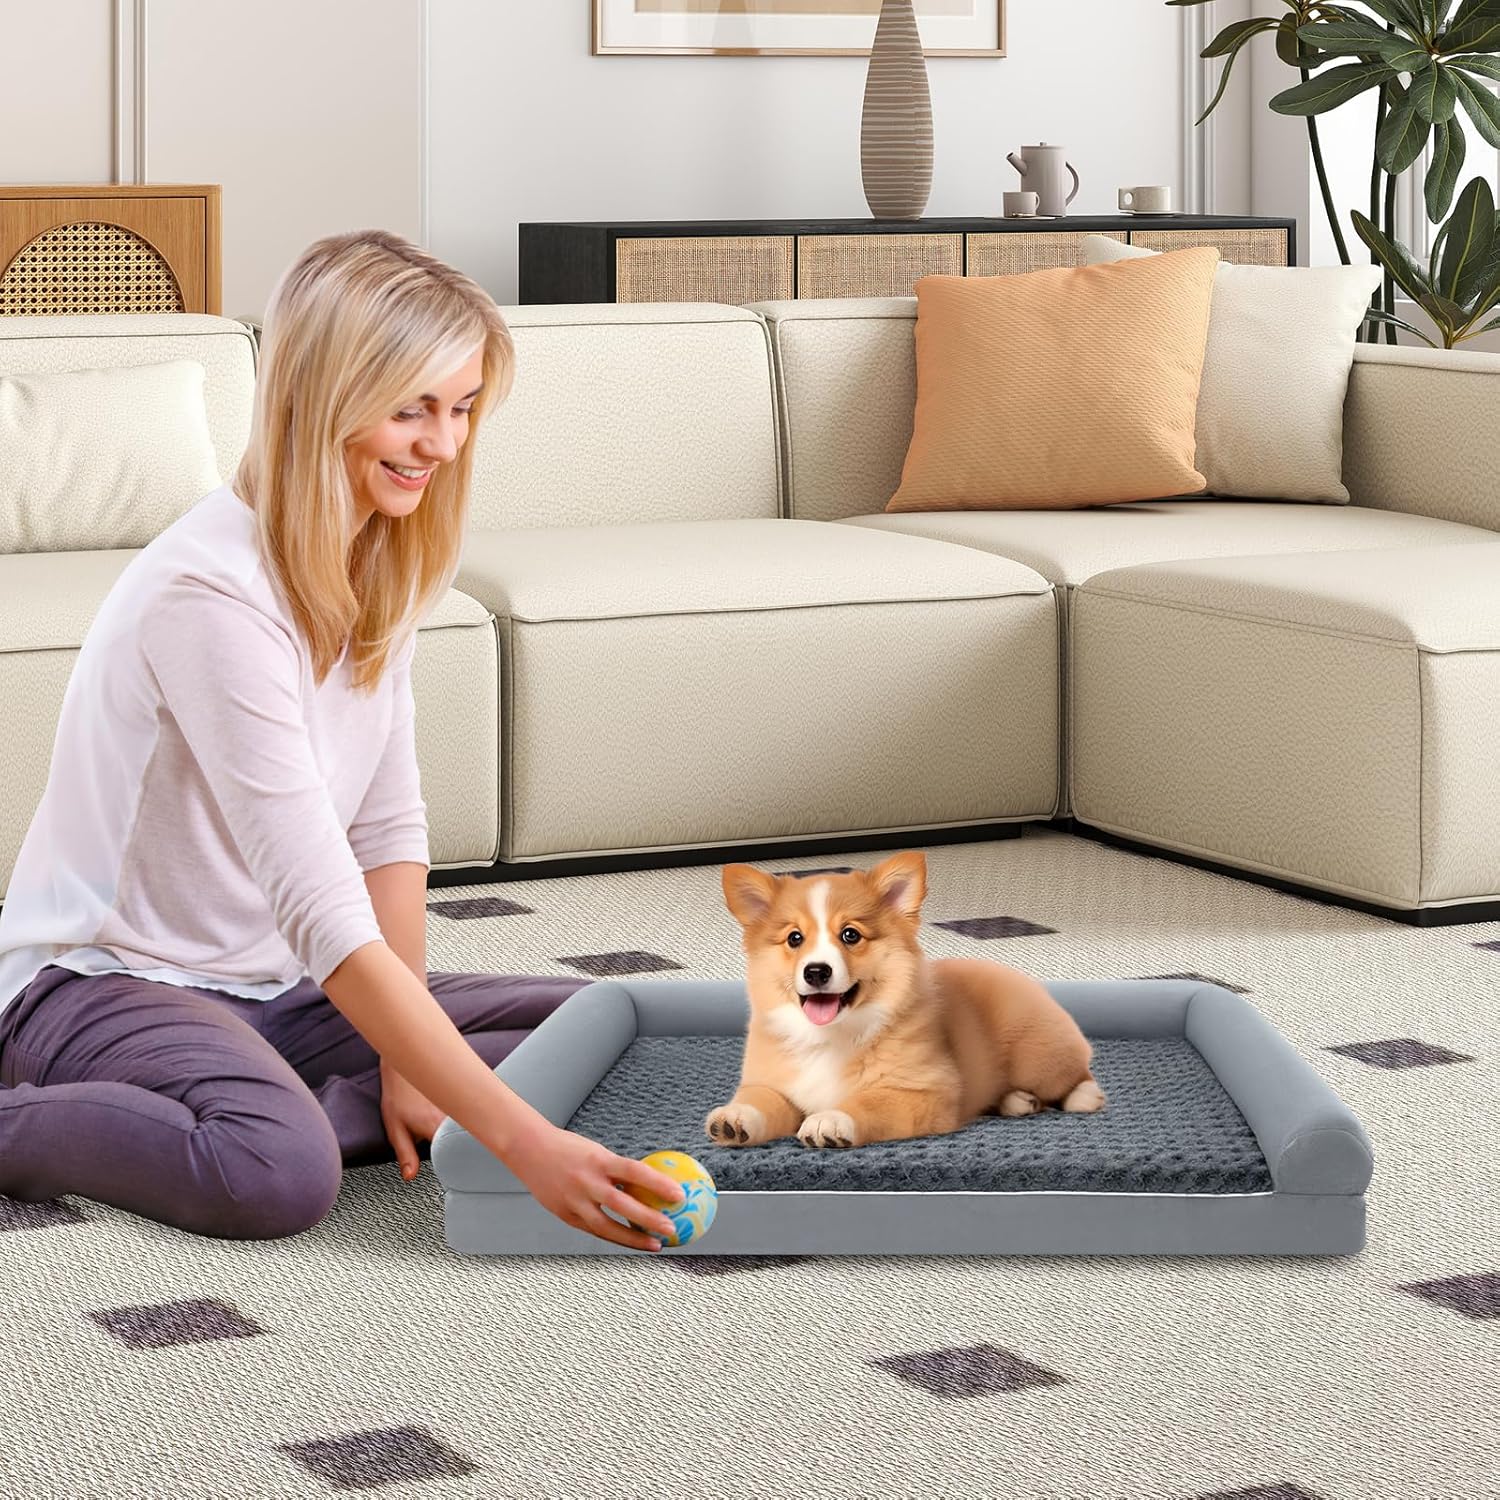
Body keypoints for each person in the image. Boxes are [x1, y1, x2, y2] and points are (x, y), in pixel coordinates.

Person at [0, 230, 683, 1250]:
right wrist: (528, 1146)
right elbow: (322, 904)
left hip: (285, 985)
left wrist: (409, 1061)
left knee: (611, 1033)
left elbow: (385, 828)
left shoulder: (372, 556)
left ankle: (295, 1089)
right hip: (104, 980)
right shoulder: (209, 597)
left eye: (459, 408)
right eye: (411, 409)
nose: (443, 445)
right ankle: (251, 1109)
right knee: (274, 1175)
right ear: (318, 401)